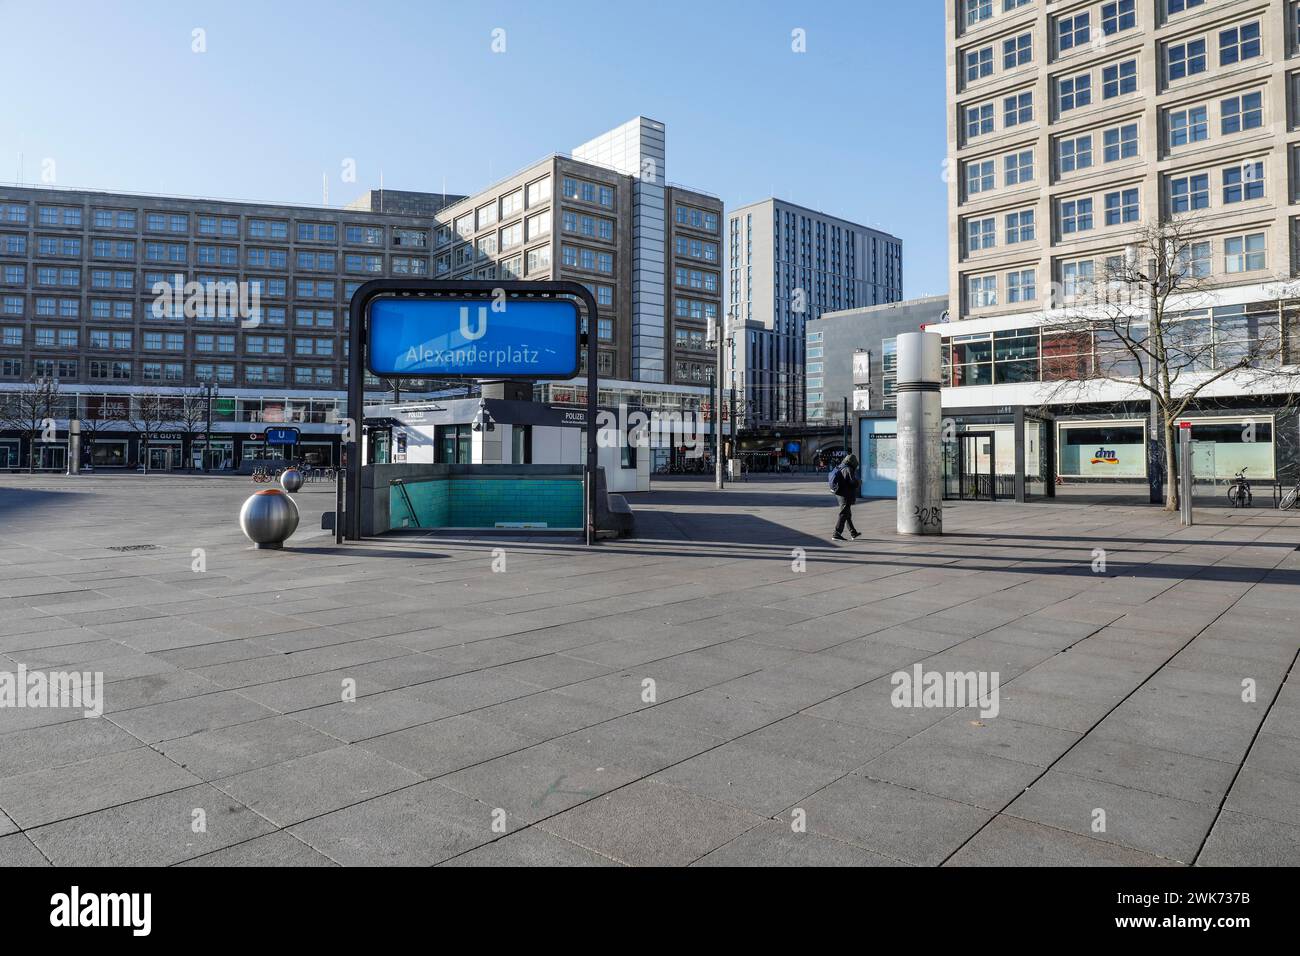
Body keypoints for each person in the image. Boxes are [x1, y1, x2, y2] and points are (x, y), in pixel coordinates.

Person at [829, 452, 862, 541]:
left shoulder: (840, 466)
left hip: (840, 493)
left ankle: (853, 532)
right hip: (845, 494)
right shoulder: (848, 469)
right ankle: (837, 533)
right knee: (844, 514)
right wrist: (859, 482)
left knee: (847, 514)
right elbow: (853, 482)